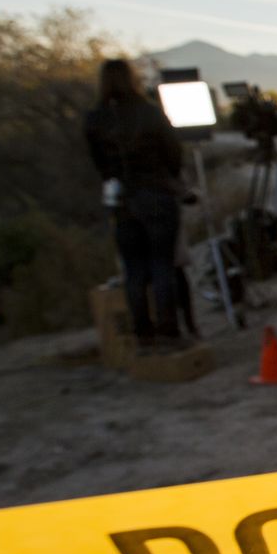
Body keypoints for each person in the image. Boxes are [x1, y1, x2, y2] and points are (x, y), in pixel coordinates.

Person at [84, 58, 188, 351]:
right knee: (162, 265)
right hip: (155, 193)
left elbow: (98, 163)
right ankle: (168, 331)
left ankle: (144, 333)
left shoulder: (96, 118)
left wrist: (115, 179)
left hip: (121, 198)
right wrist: (168, 179)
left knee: (134, 270)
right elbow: (173, 152)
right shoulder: (148, 113)